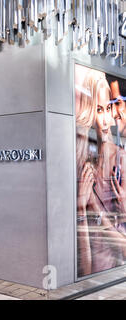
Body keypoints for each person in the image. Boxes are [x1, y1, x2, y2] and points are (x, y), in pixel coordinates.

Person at [76, 69, 126, 277]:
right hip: (95, 269)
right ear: (89, 113)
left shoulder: (121, 159)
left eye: (108, 109)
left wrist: (92, 206)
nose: (106, 121)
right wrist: (81, 208)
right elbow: (85, 269)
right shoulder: (82, 164)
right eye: (99, 110)